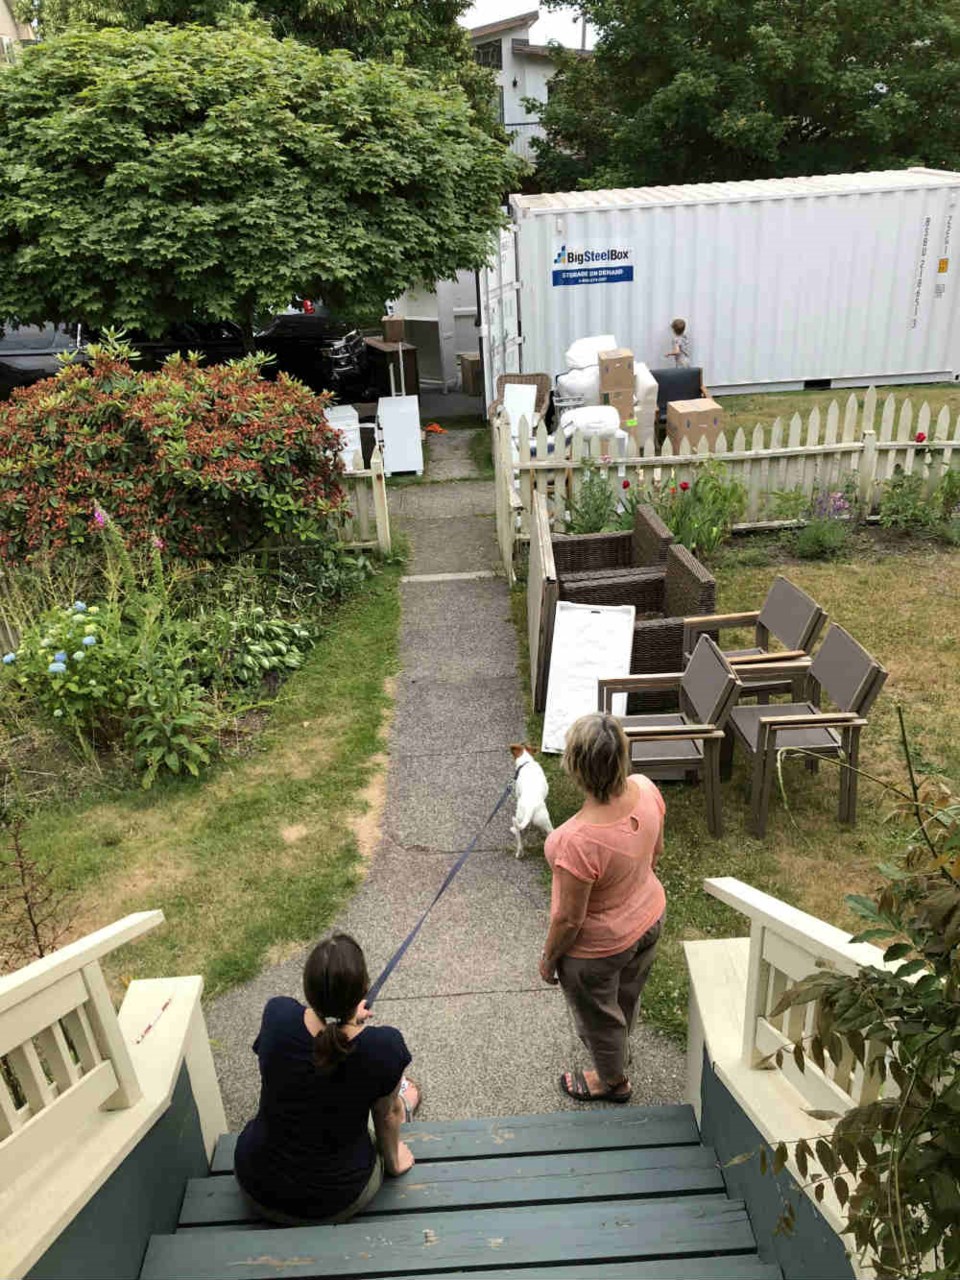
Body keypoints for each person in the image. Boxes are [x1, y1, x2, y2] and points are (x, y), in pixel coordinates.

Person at [234, 933, 420, 1223]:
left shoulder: (277, 1016)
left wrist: (344, 1019)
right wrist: (394, 1163)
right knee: (387, 1102)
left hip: (257, 1186)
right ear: (365, 989)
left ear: (308, 990)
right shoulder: (383, 1048)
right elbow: (387, 1117)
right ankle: (406, 1100)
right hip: (336, 1199)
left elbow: (305, 1066)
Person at [539, 713, 666, 1103]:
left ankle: (611, 1081)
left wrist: (548, 960)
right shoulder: (645, 789)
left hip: (599, 950)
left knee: (598, 1015)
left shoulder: (572, 841)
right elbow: (654, 853)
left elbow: (569, 918)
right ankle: (619, 1050)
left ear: (575, 768)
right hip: (649, 918)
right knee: (627, 995)